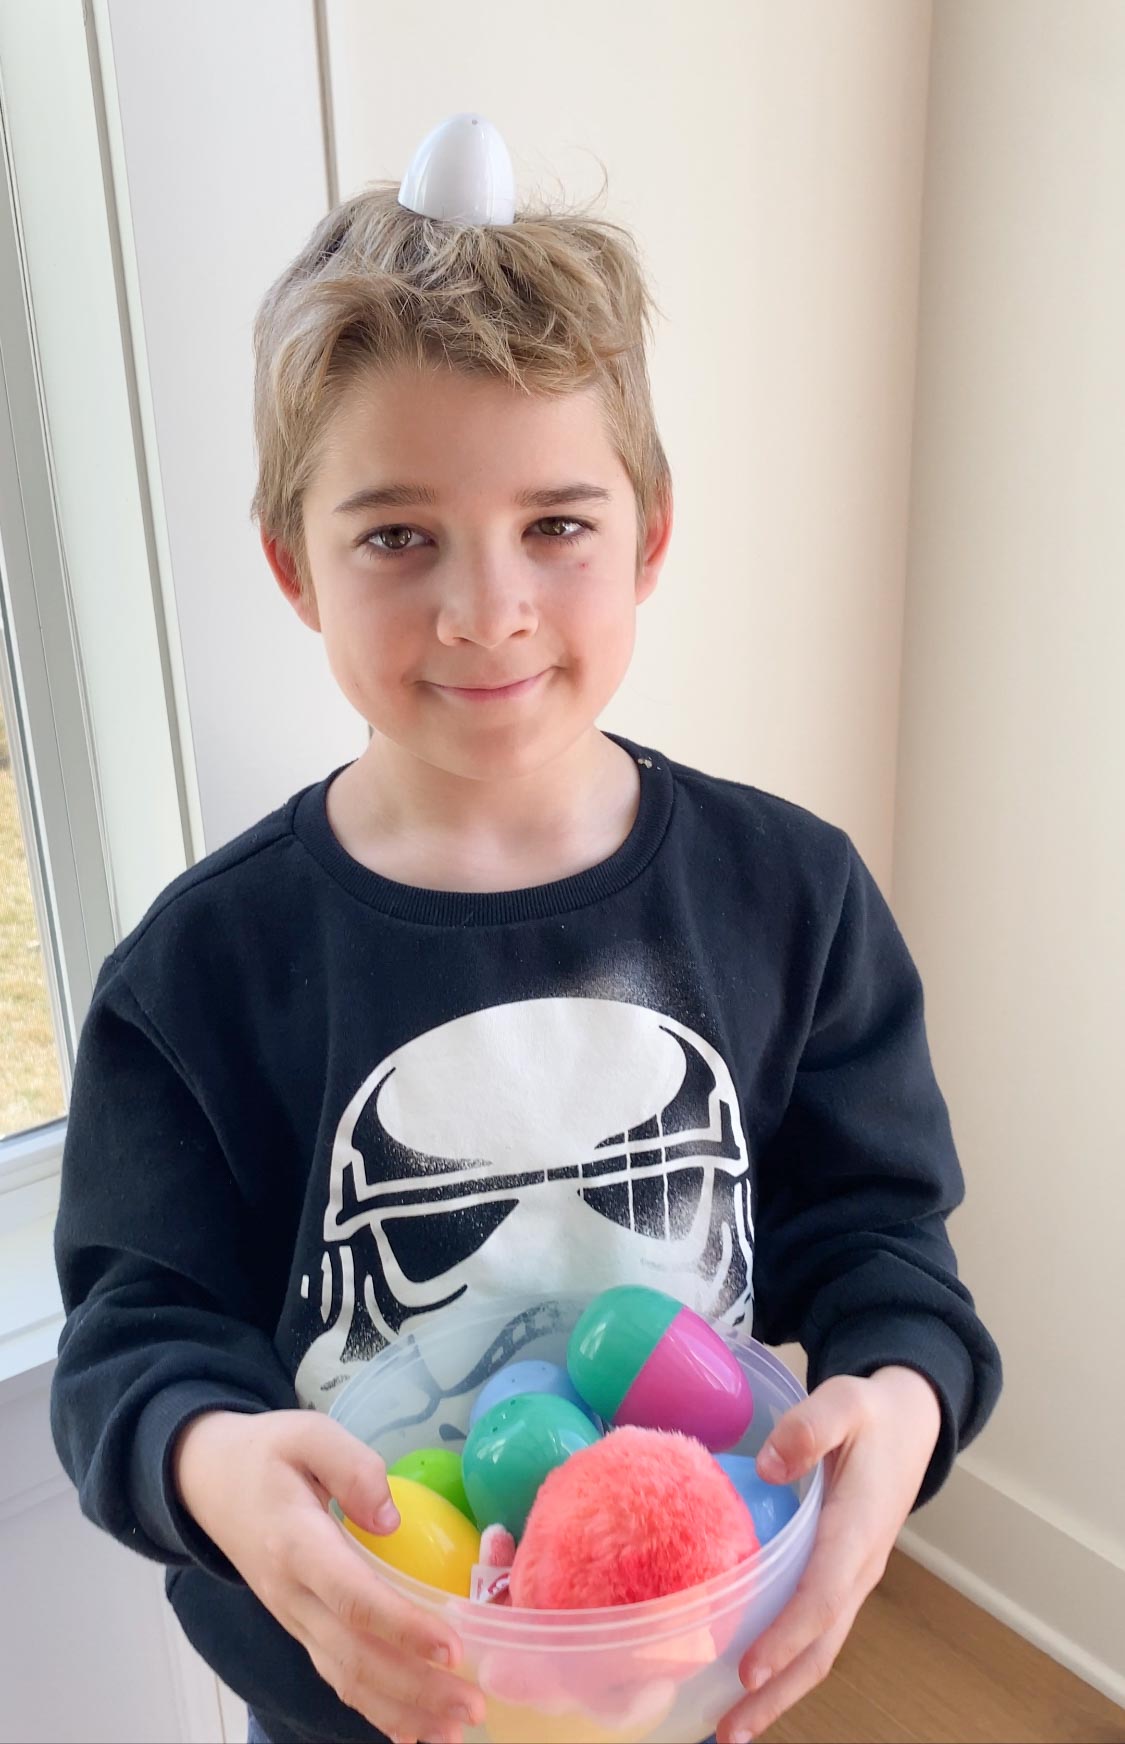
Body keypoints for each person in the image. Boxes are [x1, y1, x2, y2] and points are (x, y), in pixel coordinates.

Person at [50, 116, 1001, 1744]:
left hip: (676, 1670)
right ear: (294, 567)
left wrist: (898, 1405)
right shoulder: (197, 979)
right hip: (358, 1699)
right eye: (396, 534)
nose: (484, 608)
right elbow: (132, 1349)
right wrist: (214, 1466)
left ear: (650, 534)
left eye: (555, 525)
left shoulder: (791, 898)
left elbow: (881, 1250)